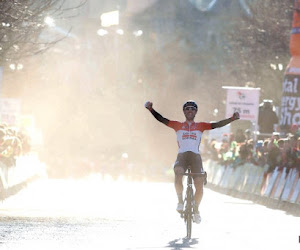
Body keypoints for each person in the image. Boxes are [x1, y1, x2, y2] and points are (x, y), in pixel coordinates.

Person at [144, 100, 240, 224]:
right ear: (184, 111)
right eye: (187, 109)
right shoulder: (177, 125)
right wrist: (151, 109)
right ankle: (180, 201)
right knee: (178, 173)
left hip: (195, 157)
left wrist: (232, 118)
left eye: (192, 109)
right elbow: (162, 119)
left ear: (195, 112)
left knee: (199, 184)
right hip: (182, 156)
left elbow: (217, 124)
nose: (190, 111)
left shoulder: (201, 126)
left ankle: (196, 210)